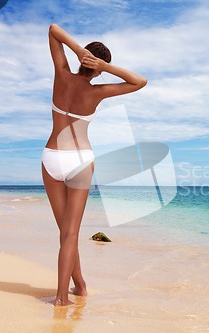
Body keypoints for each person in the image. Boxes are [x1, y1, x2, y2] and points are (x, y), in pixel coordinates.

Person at [41, 24, 147, 306]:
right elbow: (139, 81)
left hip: (52, 157)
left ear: (82, 59)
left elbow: (53, 30)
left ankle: (79, 287)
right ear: (98, 67)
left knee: (64, 232)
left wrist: (79, 52)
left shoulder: (61, 76)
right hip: (79, 160)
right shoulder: (97, 92)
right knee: (71, 233)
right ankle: (63, 298)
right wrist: (104, 67)